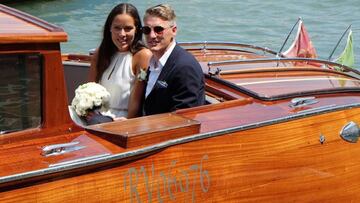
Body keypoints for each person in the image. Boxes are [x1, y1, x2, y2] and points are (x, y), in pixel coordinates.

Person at [88, 3, 152, 118]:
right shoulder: (100, 53)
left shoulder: (142, 56)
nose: (122, 34)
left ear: (136, 30)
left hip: (123, 119)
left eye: (128, 28)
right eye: (117, 28)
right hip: (97, 116)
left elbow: (136, 102)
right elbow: (89, 90)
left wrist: (125, 124)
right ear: (110, 28)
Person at [142, 4, 205, 115]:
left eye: (158, 29)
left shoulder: (185, 67)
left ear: (174, 31)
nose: (152, 35)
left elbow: (182, 117)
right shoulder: (152, 63)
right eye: (147, 30)